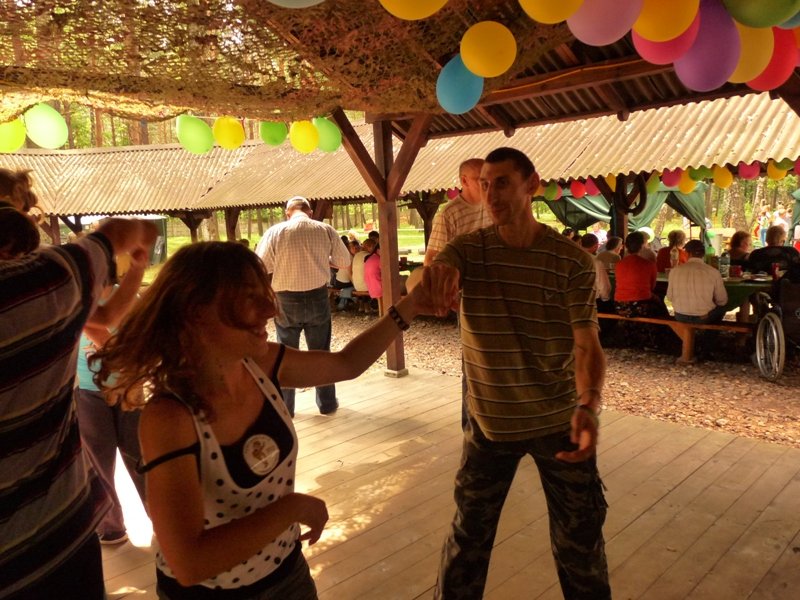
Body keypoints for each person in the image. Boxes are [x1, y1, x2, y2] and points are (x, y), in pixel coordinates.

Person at [92, 241, 431, 600]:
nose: (270, 309)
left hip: (287, 573)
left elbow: (346, 364)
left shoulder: (259, 363)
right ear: (197, 312)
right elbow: (189, 562)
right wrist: (290, 509)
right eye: (249, 298)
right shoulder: (170, 417)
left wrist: (409, 306)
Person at [422, 147, 609, 599]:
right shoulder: (469, 251)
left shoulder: (571, 260)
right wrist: (432, 278)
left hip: (558, 419)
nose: (491, 195)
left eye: (502, 183)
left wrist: (589, 403)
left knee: (581, 543)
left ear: (532, 185)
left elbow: (587, 343)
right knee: (468, 542)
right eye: (485, 185)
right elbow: (431, 275)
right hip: (491, 424)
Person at [1, 168, 158, 599]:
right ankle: (115, 526)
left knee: (128, 458)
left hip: (47, 537)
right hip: (57, 534)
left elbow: (106, 317)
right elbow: (126, 232)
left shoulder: (57, 284)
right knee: (107, 460)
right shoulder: (47, 280)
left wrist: (134, 272)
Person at [76, 247, 150, 546]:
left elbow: (143, 339)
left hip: (129, 388)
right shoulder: (77, 300)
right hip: (88, 390)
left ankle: (161, 515)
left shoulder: (129, 297)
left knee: (140, 457)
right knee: (98, 463)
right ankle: (111, 526)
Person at [255, 196, 351, 417]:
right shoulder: (325, 229)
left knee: (284, 356)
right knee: (321, 352)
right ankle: (327, 404)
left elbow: (261, 265)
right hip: (318, 296)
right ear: (310, 212)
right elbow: (344, 262)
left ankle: (286, 408)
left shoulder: (275, 232)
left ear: (287, 213)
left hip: (285, 299)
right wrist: (324, 259)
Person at [423, 158, 490, 266]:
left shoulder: (492, 206)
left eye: (489, 179)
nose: (487, 184)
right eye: (480, 180)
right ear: (464, 181)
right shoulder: (448, 214)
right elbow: (430, 261)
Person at [666, 240, 728, 324]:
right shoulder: (713, 272)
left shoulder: (674, 271)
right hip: (703, 318)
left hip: (680, 316)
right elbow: (722, 301)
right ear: (703, 254)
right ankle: (710, 332)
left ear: (688, 253)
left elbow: (669, 297)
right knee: (723, 307)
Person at [614, 231, 667, 318]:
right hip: (642, 303)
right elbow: (652, 287)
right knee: (660, 305)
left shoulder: (619, 264)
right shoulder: (648, 264)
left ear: (626, 246)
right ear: (642, 245)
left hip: (620, 305)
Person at [581, 233, 612, 313]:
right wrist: (605, 299)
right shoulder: (596, 262)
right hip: (592, 301)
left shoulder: (572, 258)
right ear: (596, 245)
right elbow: (603, 285)